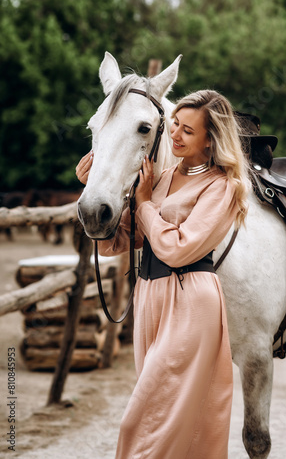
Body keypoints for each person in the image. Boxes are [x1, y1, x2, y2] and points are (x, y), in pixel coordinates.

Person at [76, 89, 250, 458]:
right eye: (174, 125)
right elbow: (116, 242)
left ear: (210, 140)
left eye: (188, 130)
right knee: (176, 416)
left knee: (144, 421)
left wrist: (143, 205)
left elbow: (178, 247)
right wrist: (94, 187)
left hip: (189, 299)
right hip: (151, 297)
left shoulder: (223, 187)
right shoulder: (161, 177)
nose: (174, 135)